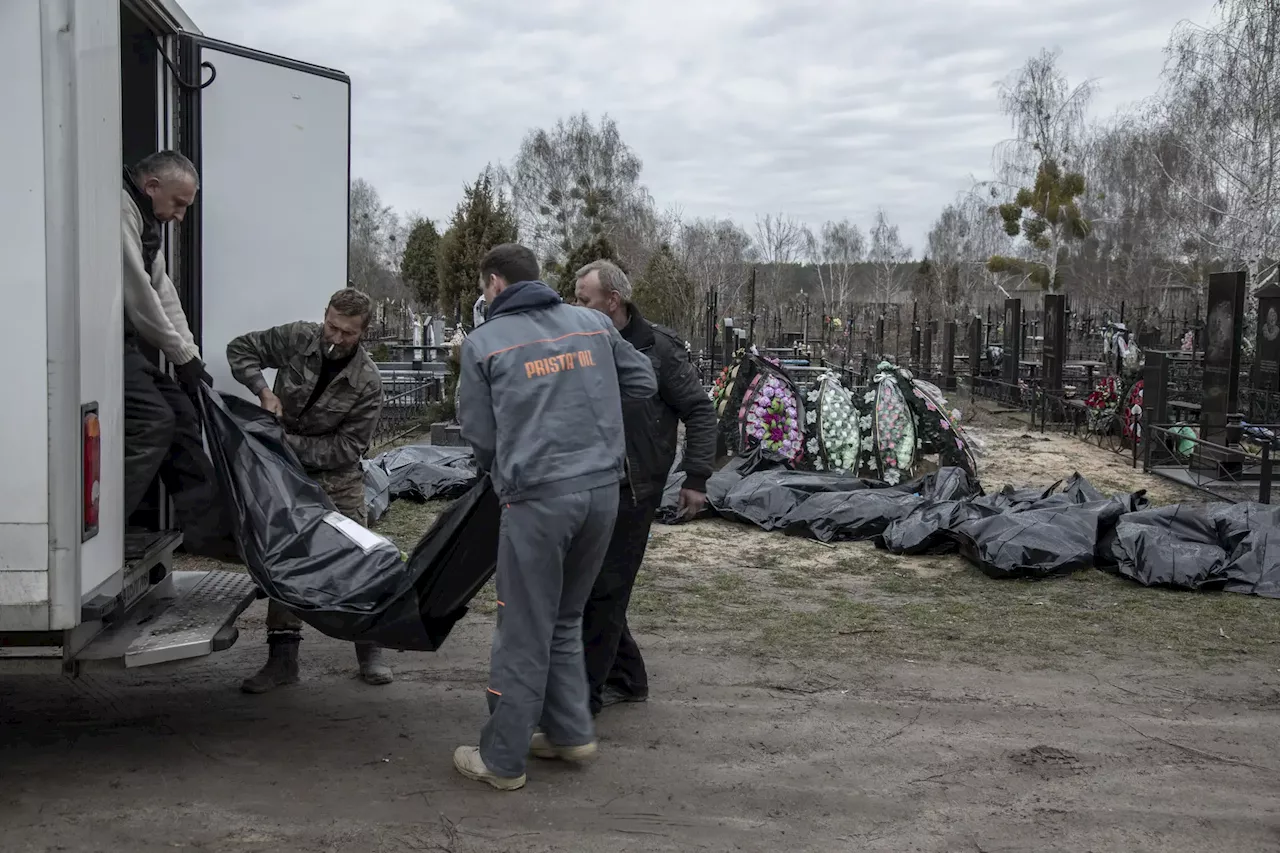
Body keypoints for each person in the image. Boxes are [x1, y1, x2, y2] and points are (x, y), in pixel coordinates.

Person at [452, 243, 657, 791]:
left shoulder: (484, 344)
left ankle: (501, 760)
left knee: (522, 628)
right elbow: (643, 383)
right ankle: (570, 731)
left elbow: (479, 435)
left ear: (494, 284)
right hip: (601, 494)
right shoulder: (592, 324)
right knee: (566, 616)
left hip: (538, 499)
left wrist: (513, 463)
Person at [226, 287, 392, 692]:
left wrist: (284, 442)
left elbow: (347, 448)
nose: (335, 339)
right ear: (325, 316)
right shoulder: (299, 338)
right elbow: (239, 350)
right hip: (284, 472)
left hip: (338, 478)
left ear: (363, 333)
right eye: (332, 326)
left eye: (348, 334)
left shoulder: (368, 382)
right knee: (287, 558)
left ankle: (370, 650)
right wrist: (263, 392)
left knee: (357, 559)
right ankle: (283, 662)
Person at [573, 260, 716, 715]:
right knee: (595, 587)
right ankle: (629, 679)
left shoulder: (659, 348)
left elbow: (699, 409)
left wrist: (695, 478)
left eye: (585, 300)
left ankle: (583, 700)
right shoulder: (584, 342)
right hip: (591, 483)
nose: (577, 308)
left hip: (636, 488)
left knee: (605, 588)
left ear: (612, 301)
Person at [121, 150, 233, 560]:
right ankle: (104, 534)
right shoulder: (121, 210)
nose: (180, 216)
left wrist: (191, 357)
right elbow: (139, 296)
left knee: (183, 415)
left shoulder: (145, 218)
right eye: (179, 204)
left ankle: (208, 532)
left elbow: (163, 292)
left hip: (126, 347)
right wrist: (180, 355)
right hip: (102, 344)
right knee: (154, 420)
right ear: (152, 186)